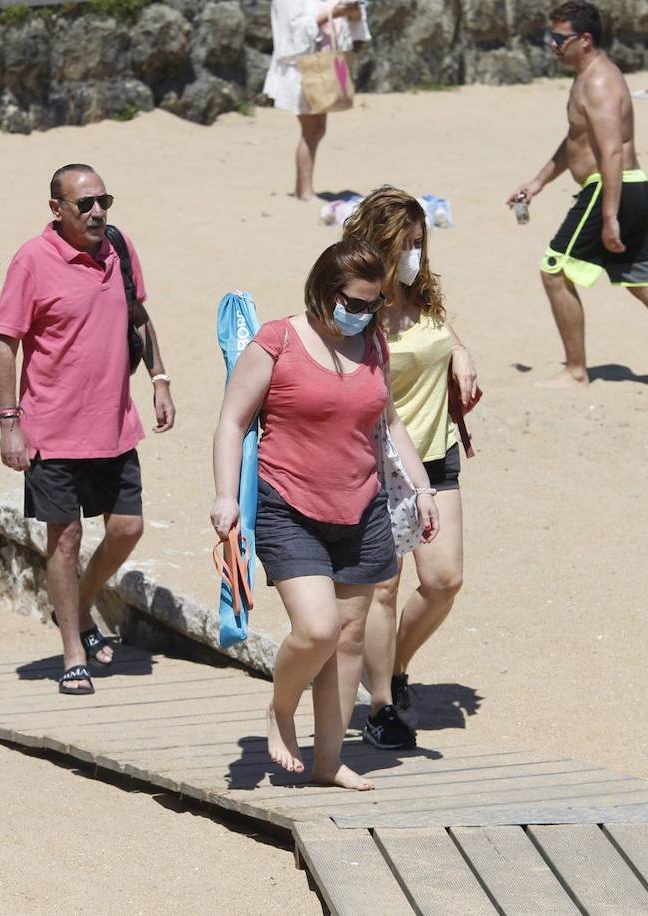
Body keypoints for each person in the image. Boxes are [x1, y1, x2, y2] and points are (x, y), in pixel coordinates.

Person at [211, 238, 440, 791]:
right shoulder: (277, 340)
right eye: (355, 302)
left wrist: (423, 486)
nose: (363, 313)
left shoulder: (373, 345)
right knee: (316, 630)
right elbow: (232, 422)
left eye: (373, 304)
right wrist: (223, 496)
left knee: (350, 641)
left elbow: (391, 424)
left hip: (362, 510)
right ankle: (280, 710)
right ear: (323, 289)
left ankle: (328, 761)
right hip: (288, 505)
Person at [0, 163, 176, 696]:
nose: (98, 213)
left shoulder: (118, 247)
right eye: (85, 205)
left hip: (115, 424)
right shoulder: (32, 260)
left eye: (104, 202)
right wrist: (10, 425)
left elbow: (137, 315)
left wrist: (159, 378)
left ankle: (81, 602)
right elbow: (6, 342)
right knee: (65, 538)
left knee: (127, 529)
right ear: (57, 209)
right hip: (51, 429)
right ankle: (73, 647)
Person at [506, 1, 648, 392]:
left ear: (584, 40)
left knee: (554, 270)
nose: (552, 45)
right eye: (550, 37)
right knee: (644, 282)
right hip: (627, 187)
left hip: (610, 187)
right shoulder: (585, 76)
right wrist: (537, 183)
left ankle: (576, 372)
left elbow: (611, 151)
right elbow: (576, 143)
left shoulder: (599, 82)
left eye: (559, 38)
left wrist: (609, 216)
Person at [341, 187, 482, 749]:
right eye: (404, 245)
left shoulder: (422, 294)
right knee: (384, 589)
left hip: (433, 451)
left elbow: (438, 332)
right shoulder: (354, 302)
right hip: (375, 459)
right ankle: (380, 707)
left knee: (444, 579)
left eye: (420, 243)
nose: (414, 255)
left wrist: (462, 351)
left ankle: (393, 666)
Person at [264, 0, 370, 200]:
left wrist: (352, 12)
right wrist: (334, 13)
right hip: (301, 68)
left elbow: (355, 25)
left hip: (325, 66)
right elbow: (292, 33)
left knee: (318, 128)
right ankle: (304, 192)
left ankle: (303, 189)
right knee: (311, 128)